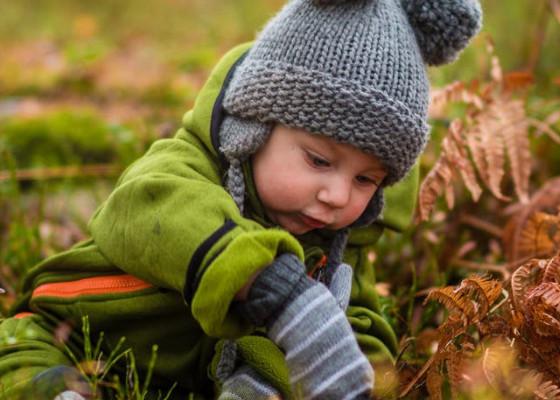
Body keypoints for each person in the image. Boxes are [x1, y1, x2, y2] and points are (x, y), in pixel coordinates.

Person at [0, 0, 481, 398]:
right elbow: (143, 209)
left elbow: (360, 334)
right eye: (318, 160)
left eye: (367, 181)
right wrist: (272, 286)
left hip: (174, 384)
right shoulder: (184, 168)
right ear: (252, 128)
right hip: (67, 331)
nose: (336, 196)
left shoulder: (337, 241)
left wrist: (275, 375)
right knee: (23, 365)